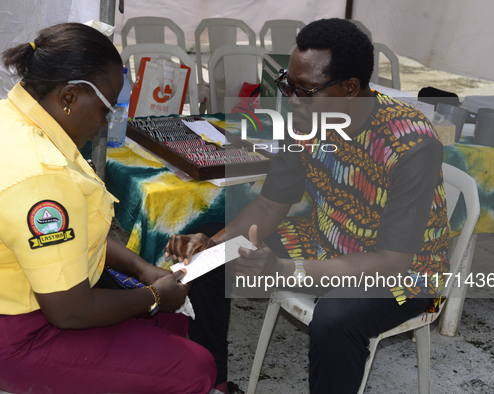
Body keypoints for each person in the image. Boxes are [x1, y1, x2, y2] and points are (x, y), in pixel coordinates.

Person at [166, 18, 450, 394]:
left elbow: (392, 261)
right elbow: (269, 206)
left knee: (335, 319)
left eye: (306, 90)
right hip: (326, 238)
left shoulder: (411, 145)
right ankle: (211, 384)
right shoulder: (306, 121)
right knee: (206, 265)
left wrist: (284, 269)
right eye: (288, 85)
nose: (293, 101)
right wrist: (211, 246)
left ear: (350, 89)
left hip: (405, 271)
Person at [0, 23, 216, 394]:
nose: (106, 122)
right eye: (106, 109)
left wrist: (142, 269)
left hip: (2, 304)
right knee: (197, 368)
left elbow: (74, 236)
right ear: (69, 96)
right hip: (19, 338)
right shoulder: (39, 176)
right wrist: (154, 297)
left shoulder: (5, 120)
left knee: (168, 327)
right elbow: (71, 312)